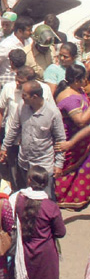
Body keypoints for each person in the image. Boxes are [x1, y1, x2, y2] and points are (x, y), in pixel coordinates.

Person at [10, 166, 66, 279]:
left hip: (23, 257)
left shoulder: (19, 200)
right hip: (45, 260)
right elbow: (61, 232)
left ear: (29, 181)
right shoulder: (50, 206)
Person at [1, 81, 65, 198]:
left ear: (34, 97)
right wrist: (4, 147)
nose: (22, 97)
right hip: (24, 162)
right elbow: (14, 129)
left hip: (43, 164)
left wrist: (59, 164)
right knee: (27, 196)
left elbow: (60, 140)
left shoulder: (53, 113)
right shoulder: (22, 106)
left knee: (45, 197)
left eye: (24, 95)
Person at [54, 64, 90, 208]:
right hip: (72, 141)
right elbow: (81, 121)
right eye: (84, 80)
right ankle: (66, 197)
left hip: (82, 140)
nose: (86, 83)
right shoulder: (68, 98)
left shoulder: (78, 90)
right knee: (69, 171)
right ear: (76, 80)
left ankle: (79, 196)